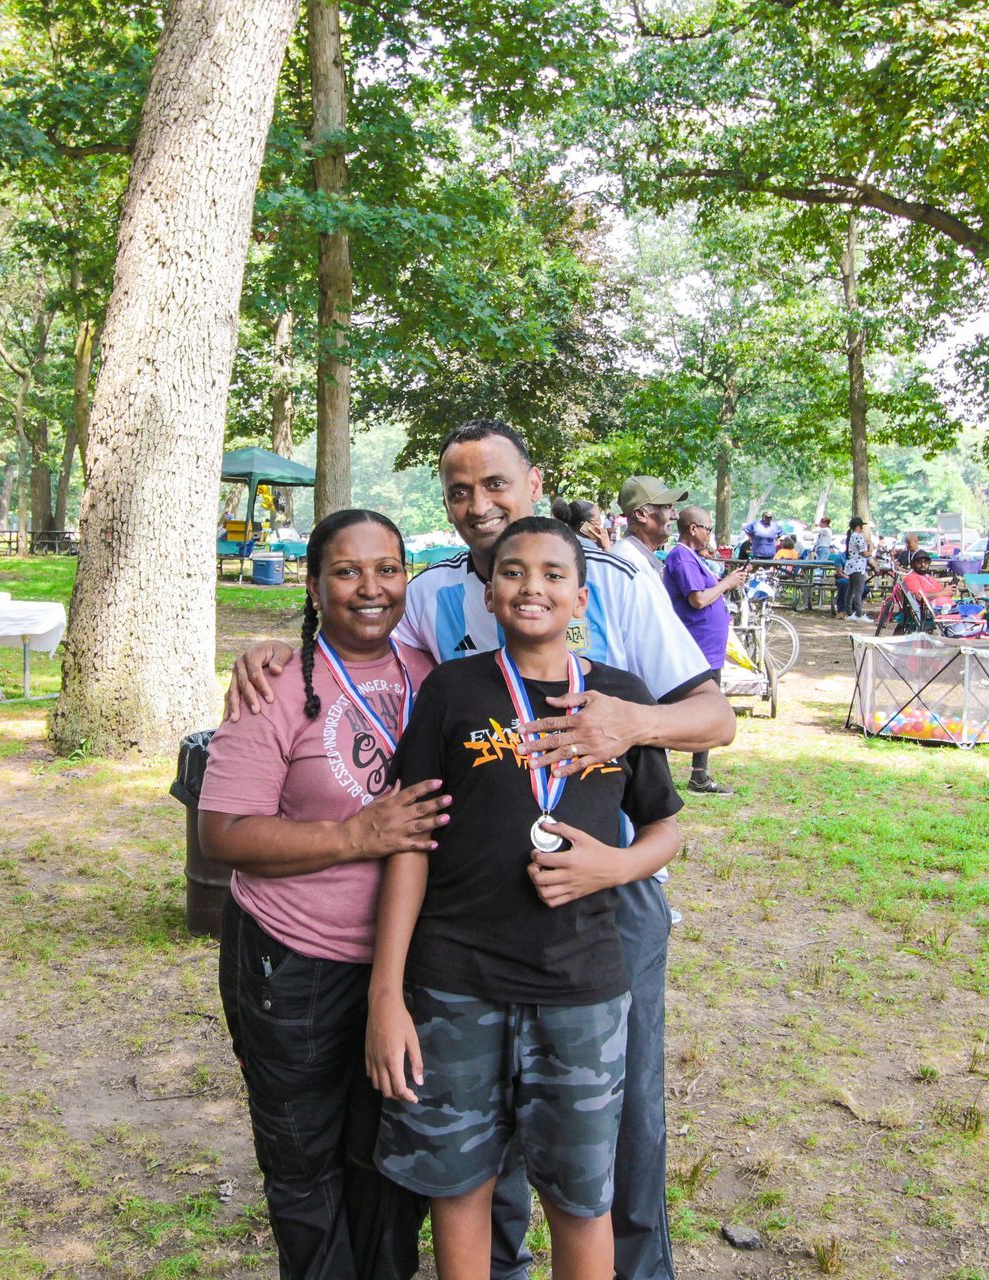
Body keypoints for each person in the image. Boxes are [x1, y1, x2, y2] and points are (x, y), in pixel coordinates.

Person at [230, 418, 733, 1280]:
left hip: (599, 910)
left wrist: (632, 723)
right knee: (475, 1148)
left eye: (494, 484)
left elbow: (714, 719)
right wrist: (287, 648)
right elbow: (377, 651)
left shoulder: (616, 575)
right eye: (459, 491)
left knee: (610, 1134)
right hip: (469, 932)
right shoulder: (434, 596)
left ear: (534, 483)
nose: (477, 504)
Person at [369, 517, 683, 1280]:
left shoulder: (617, 699)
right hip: (454, 984)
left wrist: (613, 867)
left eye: (551, 575)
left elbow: (666, 830)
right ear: (489, 588)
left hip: (580, 987)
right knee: (460, 1185)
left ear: (581, 597)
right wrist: (387, 993)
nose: (531, 587)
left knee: (581, 1198)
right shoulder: (453, 691)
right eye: (513, 572)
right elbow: (410, 842)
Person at [201, 510, 447, 1280]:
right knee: (304, 1165)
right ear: (312, 584)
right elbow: (224, 833)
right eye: (346, 572)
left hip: (406, 969)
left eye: (388, 569)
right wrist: (356, 837)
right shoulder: (274, 683)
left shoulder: (432, 675)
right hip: (293, 965)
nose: (370, 588)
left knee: (388, 1160)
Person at [662, 507, 747, 794]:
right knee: (682, 709)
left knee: (706, 710)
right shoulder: (680, 557)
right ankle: (659, 768)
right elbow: (698, 600)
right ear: (693, 528)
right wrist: (727, 583)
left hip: (708, 650)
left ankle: (699, 774)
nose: (710, 534)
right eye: (708, 528)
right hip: (694, 649)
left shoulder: (694, 557)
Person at [615, 475, 685, 579]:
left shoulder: (637, 558)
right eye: (667, 507)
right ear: (640, 514)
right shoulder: (629, 563)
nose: (676, 516)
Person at [838, 516, 872, 621]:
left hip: (851, 565)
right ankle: (858, 613)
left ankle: (849, 611)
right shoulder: (858, 536)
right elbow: (864, 553)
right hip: (858, 566)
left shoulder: (852, 536)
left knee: (850, 589)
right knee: (859, 590)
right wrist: (871, 549)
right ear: (859, 526)